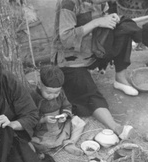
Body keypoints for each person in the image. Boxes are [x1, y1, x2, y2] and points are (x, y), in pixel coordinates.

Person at [51, 0, 137, 140]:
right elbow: (66, 39)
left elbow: (104, 17)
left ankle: (120, 79)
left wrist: (111, 18)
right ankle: (117, 128)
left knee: (125, 27)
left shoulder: (102, 1)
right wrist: (97, 22)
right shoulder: (68, 3)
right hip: (70, 59)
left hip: (94, 51)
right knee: (89, 92)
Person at [30, 65, 86, 156]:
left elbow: (67, 106)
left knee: (79, 122)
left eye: (56, 92)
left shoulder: (61, 94)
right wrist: (43, 119)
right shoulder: (34, 97)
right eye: (48, 93)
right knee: (31, 141)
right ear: (40, 85)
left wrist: (64, 115)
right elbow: (30, 118)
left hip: (60, 128)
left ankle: (69, 143)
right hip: (44, 133)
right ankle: (42, 149)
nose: (53, 96)